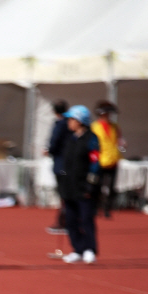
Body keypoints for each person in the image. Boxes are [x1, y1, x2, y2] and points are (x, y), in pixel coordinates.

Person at [60, 105, 100, 265]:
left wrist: (90, 183)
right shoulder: (70, 139)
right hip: (69, 186)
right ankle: (78, 249)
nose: (68, 122)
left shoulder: (91, 139)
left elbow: (95, 162)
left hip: (83, 186)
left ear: (80, 121)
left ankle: (90, 249)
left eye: (71, 119)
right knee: (70, 220)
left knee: (86, 218)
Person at [91, 100, 122, 218]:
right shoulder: (94, 127)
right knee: (97, 186)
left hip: (113, 159)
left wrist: (121, 145)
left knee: (111, 187)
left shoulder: (114, 126)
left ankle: (107, 208)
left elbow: (119, 140)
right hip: (100, 160)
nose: (107, 116)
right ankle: (96, 207)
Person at [45, 99, 71, 234]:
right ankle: (65, 221)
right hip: (70, 164)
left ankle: (64, 222)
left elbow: (54, 143)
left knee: (64, 194)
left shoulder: (60, 124)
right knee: (66, 193)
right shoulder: (71, 124)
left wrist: (49, 150)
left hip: (61, 164)